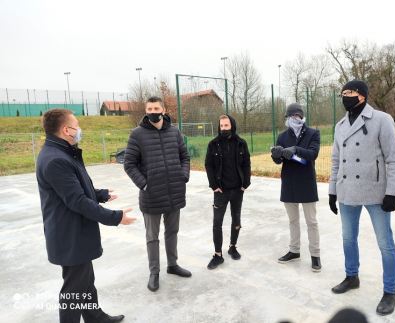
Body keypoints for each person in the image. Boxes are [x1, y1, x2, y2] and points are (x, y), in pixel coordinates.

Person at [36, 108, 136, 323]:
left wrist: (100, 194)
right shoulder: (56, 160)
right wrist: (116, 217)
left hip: (75, 232)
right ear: (66, 130)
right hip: (70, 235)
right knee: (74, 290)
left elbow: (74, 190)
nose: (79, 129)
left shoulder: (62, 153)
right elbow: (77, 201)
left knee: (85, 281)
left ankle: (95, 317)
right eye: (77, 125)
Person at [329, 80, 395, 315]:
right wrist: (332, 191)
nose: (344, 96)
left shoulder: (381, 120)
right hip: (347, 191)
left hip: (376, 192)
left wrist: (392, 192)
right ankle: (352, 276)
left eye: (348, 92)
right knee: (348, 239)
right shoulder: (340, 125)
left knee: (385, 244)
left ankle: (390, 291)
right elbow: (335, 161)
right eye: (342, 93)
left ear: (361, 95)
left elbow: (394, 159)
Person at [124, 96, 191, 292]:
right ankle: (154, 272)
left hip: (174, 192)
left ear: (163, 109)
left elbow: (184, 157)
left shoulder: (174, 132)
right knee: (152, 237)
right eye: (149, 108)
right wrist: (144, 185)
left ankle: (173, 265)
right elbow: (129, 164)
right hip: (151, 196)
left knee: (172, 232)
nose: (153, 111)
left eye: (156, 108)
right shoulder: (137, 134)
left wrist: (183, 176)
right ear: (146, 111)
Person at [271, 103, 321, 271]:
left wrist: (295, 150)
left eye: (297, 116)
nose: (294, 119)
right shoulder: (283, 136)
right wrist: (276, 154)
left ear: (302, 116)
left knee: (311, 221)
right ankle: (294, 251)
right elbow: (278, 161)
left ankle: (315, 255)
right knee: (293, 220)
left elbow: (312, 154)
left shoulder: (313, 133)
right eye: (291, 116)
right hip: (289, 183)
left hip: (306, 182)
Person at [205, 114, 251, 269]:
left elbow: (246, 164)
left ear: (232, 125)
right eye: (221, 126)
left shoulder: (241, 143)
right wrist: (213, 185)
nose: (223, 128)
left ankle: (233, 247)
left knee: (236, 219)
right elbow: (209, 165)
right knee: (217, 223)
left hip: (238, 190)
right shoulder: (213, 144)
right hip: (220, 191)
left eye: (226, 125)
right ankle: (218, 255)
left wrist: (246, 183)